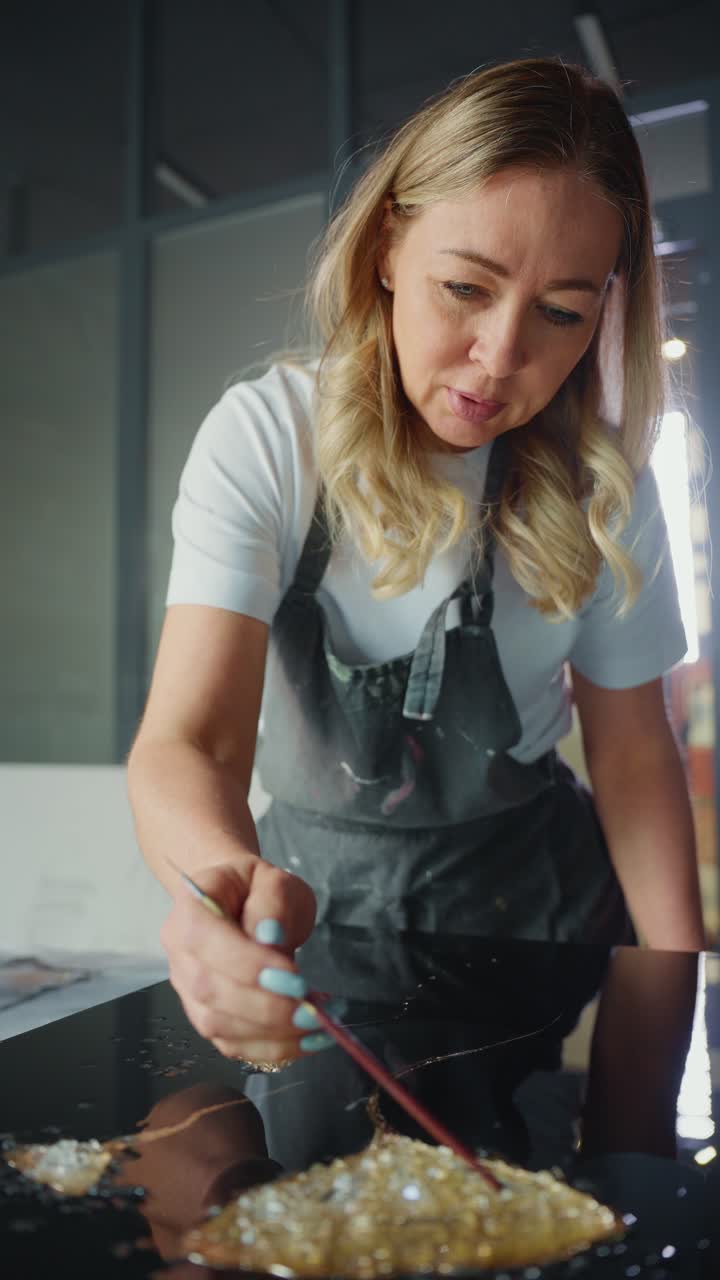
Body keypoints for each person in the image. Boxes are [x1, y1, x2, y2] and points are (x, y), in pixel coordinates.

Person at [127, 56, 706, 1069]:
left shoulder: (602, 485)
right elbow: (190, 739)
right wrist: (219, 884)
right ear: (389, 243)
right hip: (316, 921)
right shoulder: (271, 438)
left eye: (561, 312)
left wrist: (677, 991)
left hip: (537, 921)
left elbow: (631, 753)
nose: (497, 355)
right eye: (465, 288)